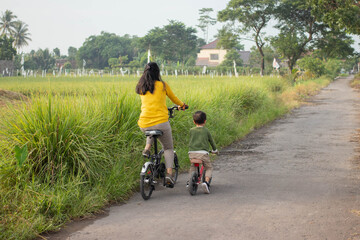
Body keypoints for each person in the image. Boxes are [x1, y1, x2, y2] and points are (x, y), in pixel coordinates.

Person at [136, 62, 187, 186]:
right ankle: (169, 174)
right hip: (161, 123)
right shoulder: (162, 85)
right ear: (157, 72)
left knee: (150, 129)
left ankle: (147, 148)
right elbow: (174, 98)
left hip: (144, 123)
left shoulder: (141, 86)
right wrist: (182, 105)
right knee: (168, 148)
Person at [188, 111, 218, 194]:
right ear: (205, 121)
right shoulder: (206, 131)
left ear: (194, 121)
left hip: (191, 153)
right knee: (208, 167)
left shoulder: (191, 130)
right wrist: (215, 150)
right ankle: (206, 182)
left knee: (193, 166)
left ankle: (189, 181)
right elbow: (211, 141)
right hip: (203, 154)